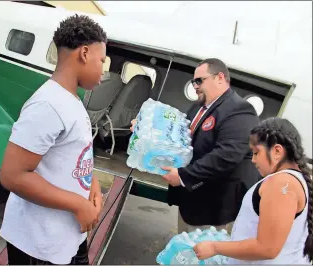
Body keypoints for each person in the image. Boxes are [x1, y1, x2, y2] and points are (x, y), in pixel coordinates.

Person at [0, 15, 107, 265]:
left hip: (68, 237)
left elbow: (77, 155)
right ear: (85, 53)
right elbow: (13, 175)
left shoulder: (73, 100)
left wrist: (93, 186)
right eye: (102, 60)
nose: (104, 70)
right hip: (38, 244)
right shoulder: (47, 104)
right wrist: (78, 205)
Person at [130, 58, 260, 233]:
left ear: (220, 77)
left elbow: (227, 155)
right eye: (193, 82)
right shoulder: (198, 108)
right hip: (192, 201)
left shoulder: (240, 110)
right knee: (184, 250)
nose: (195, 86)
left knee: (202, 256)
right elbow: (177, 137)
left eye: (199, 80)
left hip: (215, 207)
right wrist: (144, 129)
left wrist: (184, 176)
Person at [193, 117, 313, 264]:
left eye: (256, 152)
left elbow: (267, 248)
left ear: (277, 151)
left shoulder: (281, 184)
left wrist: (215, 247)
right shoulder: (295, 180)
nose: (253, 160)